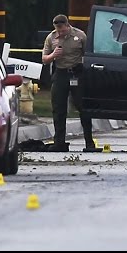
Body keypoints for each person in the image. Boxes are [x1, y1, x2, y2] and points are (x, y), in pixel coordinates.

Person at [42, 14, 95, 152]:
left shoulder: (80, 36)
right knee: (58, 109)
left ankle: (89, 142)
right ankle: (59, 142)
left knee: (83, 107)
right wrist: (53, 55)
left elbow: (88, 55)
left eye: (63, 30)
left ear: (67, 25)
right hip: (60, 73)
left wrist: (83, 67)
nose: (60, 33)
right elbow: (44, 59)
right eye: (58, 30)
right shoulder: (51, 37)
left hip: (77, 72)